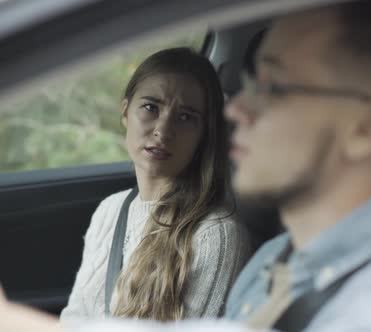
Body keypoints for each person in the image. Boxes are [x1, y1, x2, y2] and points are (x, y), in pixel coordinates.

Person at [0, 1, 371, 331]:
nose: (237, 107)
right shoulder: (275, 264)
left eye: (276, 87)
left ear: (366, 128)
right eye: (250, 80)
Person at [59, 47, 250, 322]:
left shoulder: (215, 235)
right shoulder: (109, 211)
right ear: (125, 112)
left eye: (185, 117)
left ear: (204, 135)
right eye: (151, 108)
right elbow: (72, 321)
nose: (163, 130)